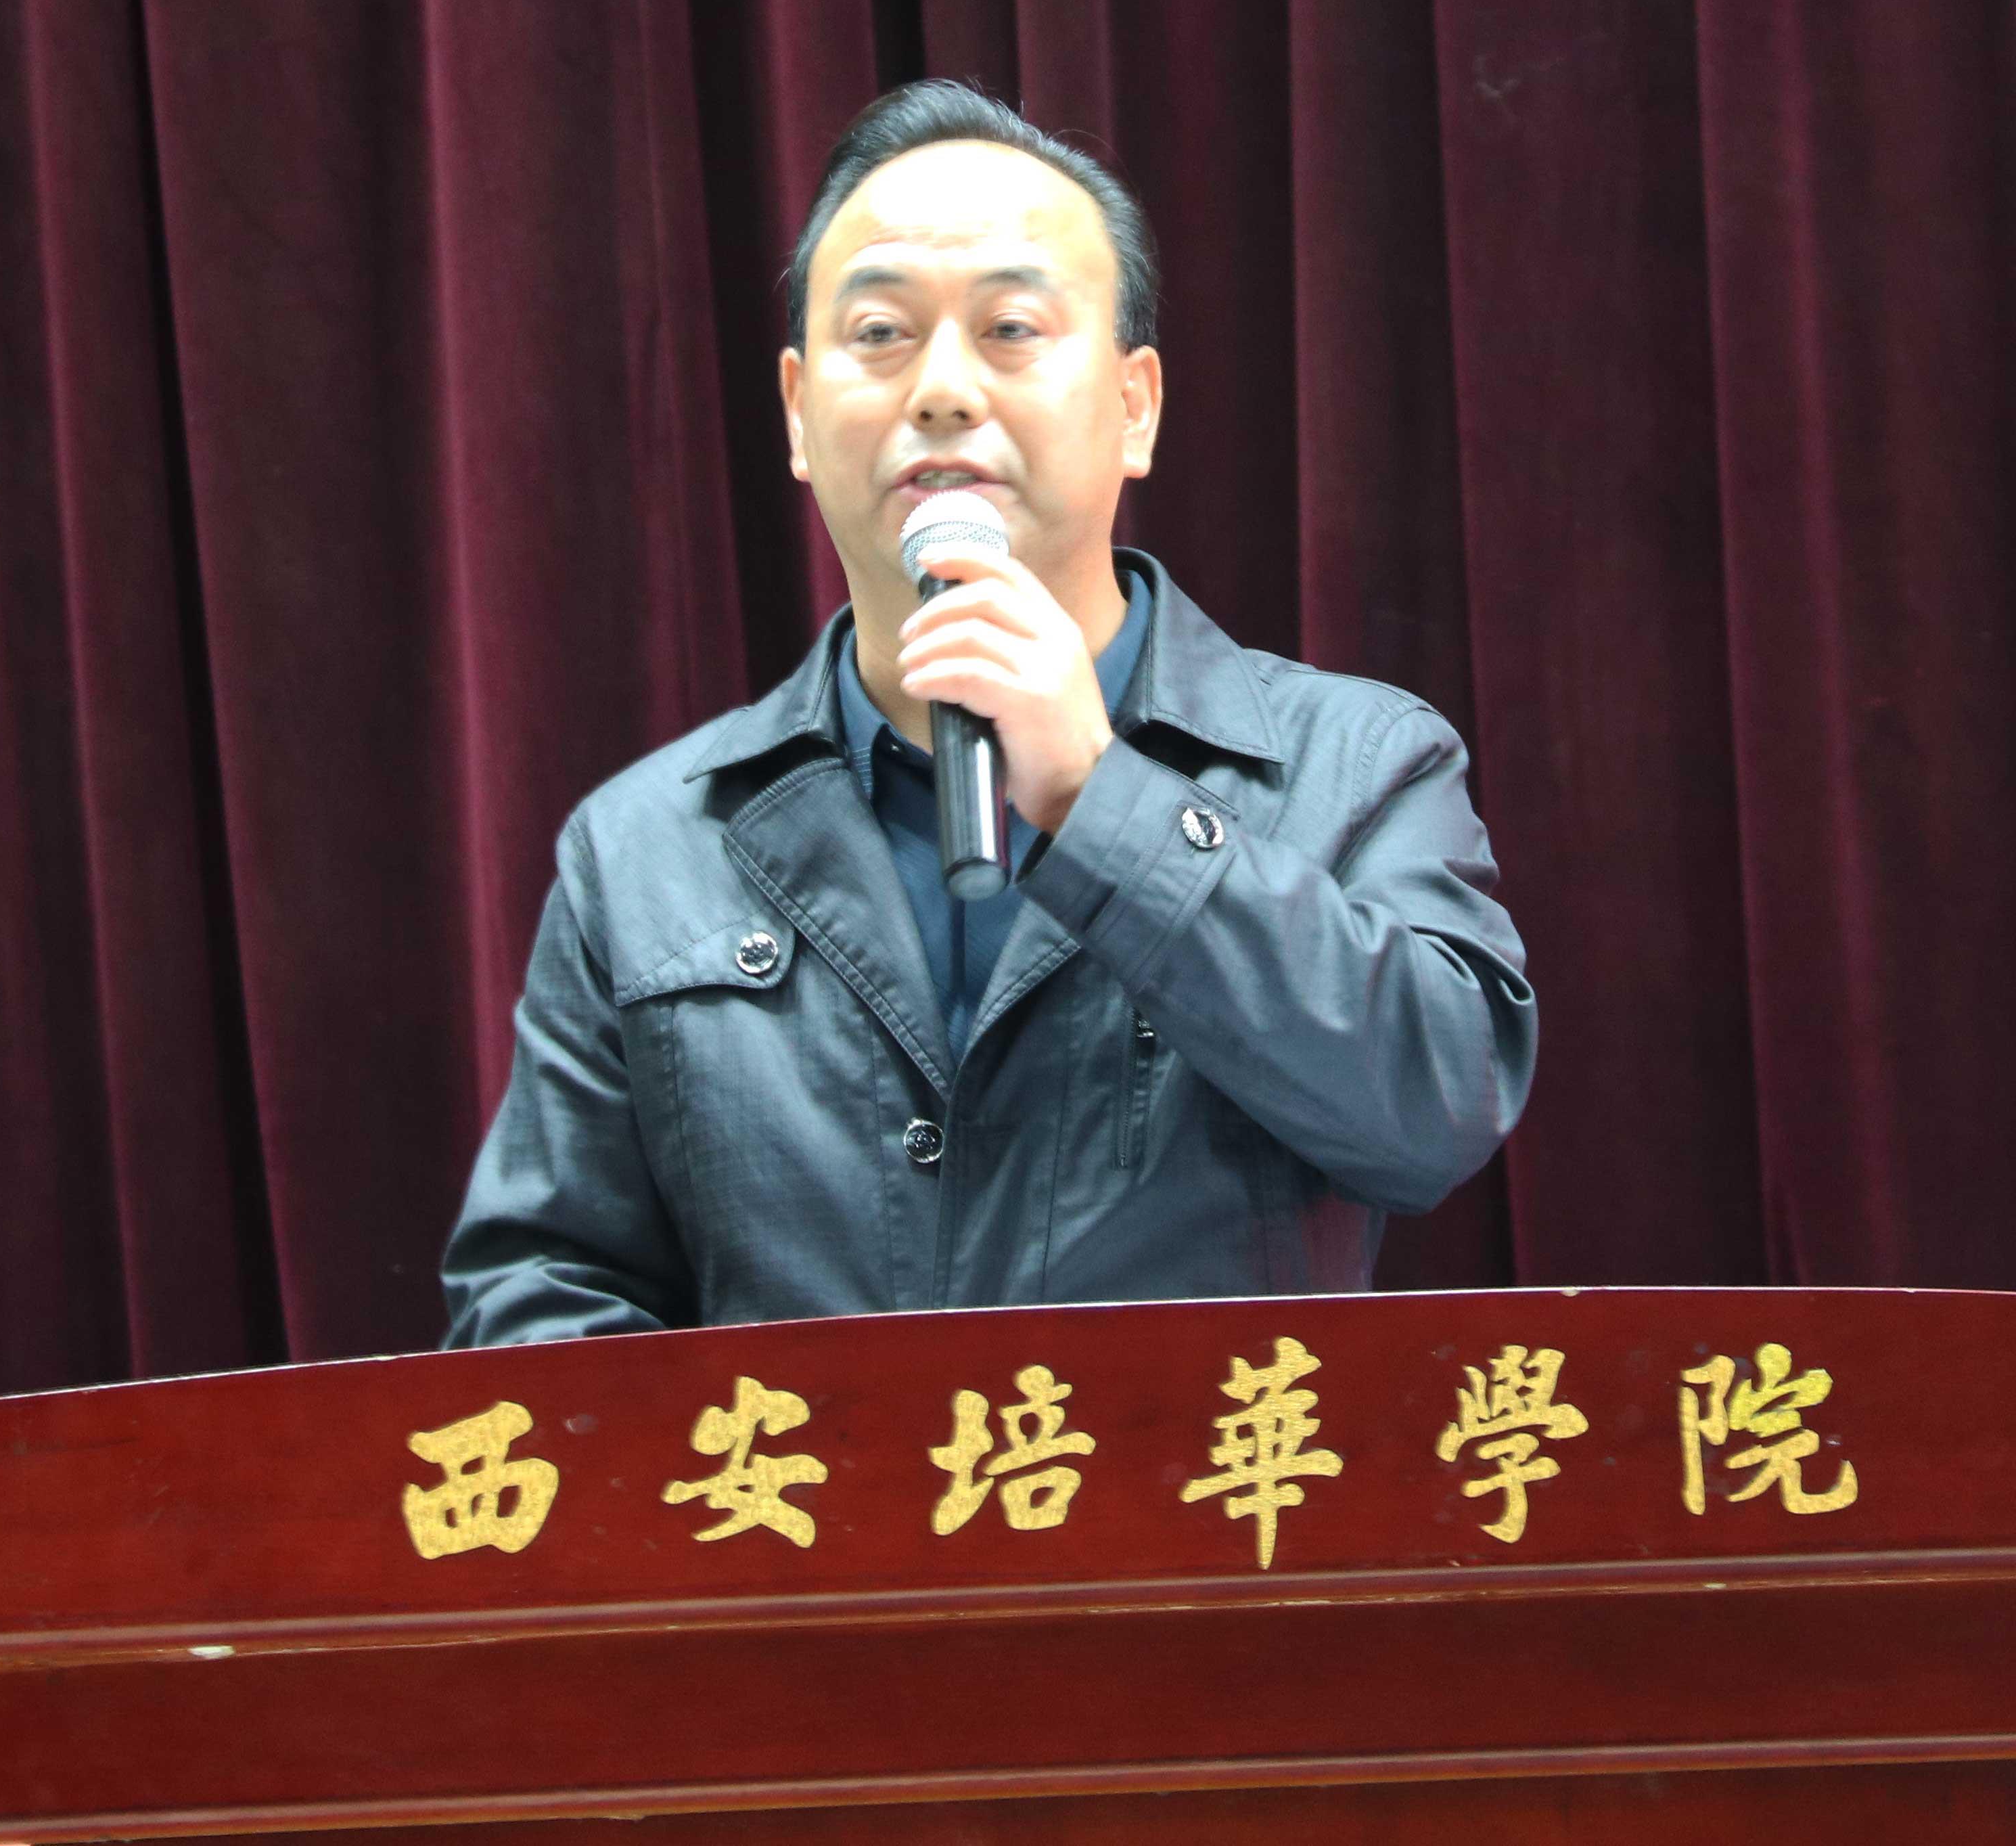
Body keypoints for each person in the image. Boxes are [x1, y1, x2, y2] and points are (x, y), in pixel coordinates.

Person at [440, 80, 1535, 1345]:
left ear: (1135, 406)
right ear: (797, 413)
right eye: (881, 333)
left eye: (1012, 328)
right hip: (810, 1484)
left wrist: (1102, 802)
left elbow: (1437, 1110)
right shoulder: (643, 849)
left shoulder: (1357, 766)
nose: (944, 390)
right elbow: (541, 1293)